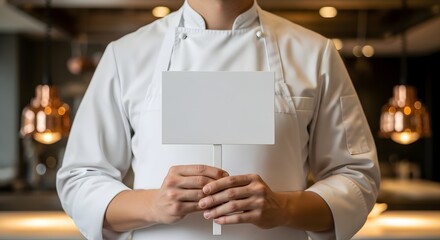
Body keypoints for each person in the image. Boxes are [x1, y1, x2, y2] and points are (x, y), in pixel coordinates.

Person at [56, 0, 381, 239]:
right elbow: (80, 178)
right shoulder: (125, 55)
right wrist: (152, 205)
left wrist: (284, 208)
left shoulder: (316, 53)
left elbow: (356, 176)